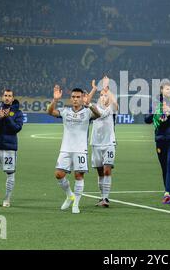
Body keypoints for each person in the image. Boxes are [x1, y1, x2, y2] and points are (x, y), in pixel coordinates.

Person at [48, 84, 101, 214]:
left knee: (79, 176)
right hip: (65, 149)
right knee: (59, 174)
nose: (75, 99)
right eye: (73, 97)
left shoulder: (87, 112)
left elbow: (98, 114)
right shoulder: (65, 112)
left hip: (80, 150)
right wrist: (55, 100)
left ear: (83, 97)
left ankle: (76, 204)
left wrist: (89, 104)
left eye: (78, 97)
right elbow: (50, 112)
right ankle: (69, 195)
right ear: (71, 98)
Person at [144, 82, 170, 204]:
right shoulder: (155, 103)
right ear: (161, 90)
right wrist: (156, 112)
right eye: (167, 89)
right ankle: (167, 191)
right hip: (160, 138)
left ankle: (168, 193)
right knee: (164, 167)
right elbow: (147, 119)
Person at [0, 89, 24, 208]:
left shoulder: (18, 113)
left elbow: (17, 128)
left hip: (9, 148)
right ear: (2, 97)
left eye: (9, 96)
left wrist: (7, 118)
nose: (7, 97)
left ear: (12, 98)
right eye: (5, 95)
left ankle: (7, 198)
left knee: (10, 174)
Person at [90, 77, 118, 208]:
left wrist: (108, 90)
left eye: (105, 95)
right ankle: (102, 197)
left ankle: (106, 198)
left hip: (109, 144)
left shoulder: (112, 108)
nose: (103, 97)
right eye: (101, 95)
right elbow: (87, 103)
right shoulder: (94, 108)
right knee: (100, 172)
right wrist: (95, 89)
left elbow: (116, 104)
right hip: (95, 144)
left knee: (107, 171)